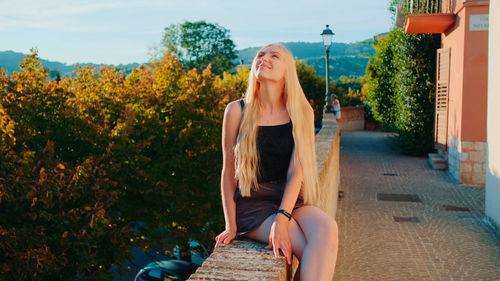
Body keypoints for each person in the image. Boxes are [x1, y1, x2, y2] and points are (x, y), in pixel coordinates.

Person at [214, 43, 338, 281]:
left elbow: (296, 173)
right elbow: (228, 171)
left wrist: (282, 217)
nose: (264, 59)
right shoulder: (236, 111)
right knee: (302, 245)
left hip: (292, 199)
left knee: (327, 229)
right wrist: (231, 225)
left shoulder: (301, 111)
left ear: (287, 70)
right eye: (261, 55)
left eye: (274, 56)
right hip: (254, 203)